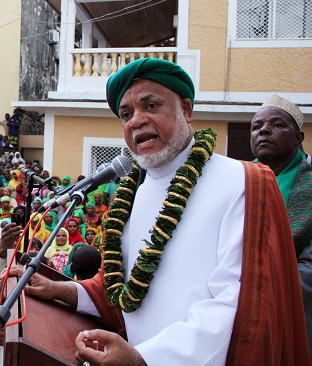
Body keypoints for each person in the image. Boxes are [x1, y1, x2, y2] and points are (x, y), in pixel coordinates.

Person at [25, 58, 310, 364]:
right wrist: (62, 290)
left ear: (186, 110)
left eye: (151, 105)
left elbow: (238, 303)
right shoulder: (130, 194)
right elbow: (122, 288)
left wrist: (145, 358)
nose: (136, 120)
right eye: (126, 114)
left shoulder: (243, 182)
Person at [250, 94, 312, 352]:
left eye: (277, 125)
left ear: (298, 138)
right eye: (256, 127)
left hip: (294, 314)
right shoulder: (237, 180)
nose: (264, 130)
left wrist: (251, 289)